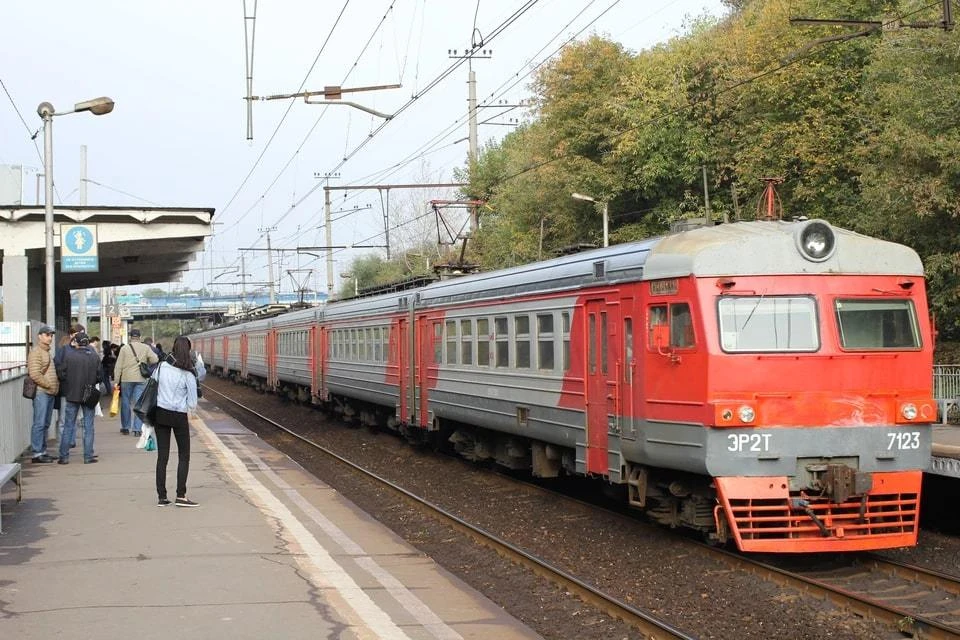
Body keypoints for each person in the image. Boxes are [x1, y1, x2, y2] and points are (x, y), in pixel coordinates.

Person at [154, 335, 203, 507]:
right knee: (184, 456)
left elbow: (153, 385)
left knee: (163, 456)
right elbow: (192, 403)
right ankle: (181, 495)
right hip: (178, 416)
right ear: (188, 351)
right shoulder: (189, 373)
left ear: (174, 349)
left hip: (160, 413)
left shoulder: (161, 367)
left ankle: (162, 497)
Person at [56, 332, 102, 464]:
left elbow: (61, 373)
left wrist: (70, 381)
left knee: (68, 425)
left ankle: (64, 457)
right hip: (89, 394)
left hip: (72, 393)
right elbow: (100, 376)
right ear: (87, 343)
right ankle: (88, 456)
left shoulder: (69, 356)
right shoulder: (94, 356)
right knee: (88, 426)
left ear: (76, 342)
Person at [113, 328, 159, 436]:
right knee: (139, 404)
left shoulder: (124, 348)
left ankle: (125, 427)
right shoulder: (145, 347)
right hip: (141, 379)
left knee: (125, 402)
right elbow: (155, 359)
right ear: (140, 337)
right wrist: (146, 361)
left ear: (130, 337)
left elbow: (118, 365)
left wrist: (116, 380)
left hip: (126, 379)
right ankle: (137, 429)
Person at [27, 325, 59, 463]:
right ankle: (37, 453)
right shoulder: (36, 352)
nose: (50, 337)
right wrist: (49, 384)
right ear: (39, 336)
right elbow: (34, 373)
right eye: (47, 335)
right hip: (42, 392)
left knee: (45, 423)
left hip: (49, 392)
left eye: (51, 335)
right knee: (39, 423)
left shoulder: (46, 352)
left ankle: (42, 451)